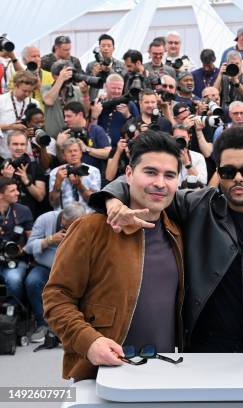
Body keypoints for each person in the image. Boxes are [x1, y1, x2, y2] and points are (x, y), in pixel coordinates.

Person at [92, 126, 243, 353]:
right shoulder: (196, 206)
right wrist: (113, 200)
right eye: (228, 171)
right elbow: (147, 186)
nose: (238, 178)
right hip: (201, 354)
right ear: (218, 173)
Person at [43, 132, 184, 381]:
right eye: (150, 172)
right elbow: (56, 298)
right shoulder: (90, 228)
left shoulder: (178, 231)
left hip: (166, 372)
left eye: (169, 175)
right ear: (128, 174)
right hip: (102, 373)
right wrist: (90, 342)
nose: (160, 183)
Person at [24, 202, 87, 342]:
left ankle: (75, 326)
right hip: (45, 267)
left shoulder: (85, 222)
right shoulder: (45, 219)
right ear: (63, 219)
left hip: (71, 269)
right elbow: (28, 247)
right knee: (32, 281)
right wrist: (50, 240)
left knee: (87, 283)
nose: (74, 228)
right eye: (71, 225)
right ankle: (43, 325)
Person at [0, 177, 34, 306]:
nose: (18, 193)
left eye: (17, 189)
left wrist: (22, 250)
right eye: (12, 191)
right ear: (1, 195)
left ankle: (12, 309)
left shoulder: (23, 210)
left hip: (16, 259)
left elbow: (32, 238)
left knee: (14, 280)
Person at [1, 130, 47, 218]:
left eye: (22, 144)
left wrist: (27, 181)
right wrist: (6, 179)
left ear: (26, 146)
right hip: (7, 218)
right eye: (15, 144)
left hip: (32, 215)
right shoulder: (3, 167)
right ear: (8, 146)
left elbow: (40, 197)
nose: (19, 147)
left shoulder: (36, 167)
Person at [48, 138, 101, 211]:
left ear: (81, 153)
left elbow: (96, 202)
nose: (73, 154)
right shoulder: (56, 172)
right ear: (64, 155)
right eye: (69, 151)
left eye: (75, 150)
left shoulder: (93, 171)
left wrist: (79, 185)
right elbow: (53, 203)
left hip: (87, 215)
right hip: (64, 216)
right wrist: (58, 182)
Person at [89, 73, 139, 147]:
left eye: (119, 89)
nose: (116, 91)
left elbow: (138, 128)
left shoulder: (129, 104)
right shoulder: (98, 103)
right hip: (99, 148)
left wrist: (128, 116)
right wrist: (94, 117)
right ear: (105, 87)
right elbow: (90, 131)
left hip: (121, 149)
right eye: (113, 88)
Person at [0, 70, 40, 159]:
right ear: (15, 85)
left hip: (26, 154)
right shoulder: (1, 101)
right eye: (24, 90)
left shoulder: (34, 103)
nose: (27, 94)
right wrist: (11, 127)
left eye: (30, 91)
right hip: (3, 153)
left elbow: (38, 127)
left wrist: (32, 131)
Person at [61, 101, 111, 172]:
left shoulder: (96, 130)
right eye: (65, 116)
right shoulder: (65, 133)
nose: (65, 120)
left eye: (69, 116)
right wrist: (59, 145)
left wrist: (87, 149)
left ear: (80, 115)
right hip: (71, 174)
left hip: (93, 175)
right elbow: (62, 160)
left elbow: (108, 153)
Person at [42, 60, 84, 138]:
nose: (68, 77)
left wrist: (86, 94)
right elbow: (49, 101)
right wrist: (61, 79)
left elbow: (84, 112)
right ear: (54, 76)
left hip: (73, 138)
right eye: (65, 74)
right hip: (52, 139)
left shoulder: (77, 90)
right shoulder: (46, 88)